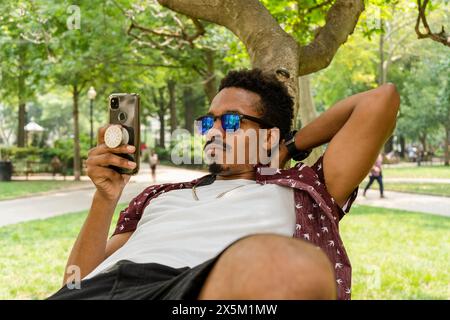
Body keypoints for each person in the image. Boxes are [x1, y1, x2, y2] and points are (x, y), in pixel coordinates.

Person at [48, 69, 400, 300]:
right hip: (105, 290)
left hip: (197, 292)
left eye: (232, 121)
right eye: (209, 122)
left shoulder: (303, 188)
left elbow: (380, 100)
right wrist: (105, 198)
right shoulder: (159, 196)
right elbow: (76, 282)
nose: (214, 131)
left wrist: (288, 148)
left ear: (267, 137)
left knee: (293, 264)